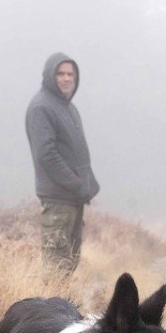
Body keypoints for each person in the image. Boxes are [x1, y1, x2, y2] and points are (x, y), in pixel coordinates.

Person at [25, 52, 100, 273]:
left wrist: (89, 185)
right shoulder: (42, 107)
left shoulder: (67, 107)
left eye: (70, 74)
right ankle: (54, 307)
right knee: (55, 266)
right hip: (58, 199)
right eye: (60, 73)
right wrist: (77, 184)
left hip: (72, 199)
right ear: (50, 75)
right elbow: (46, 154)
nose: (67, 78)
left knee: (69, 263)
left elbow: (75, 152)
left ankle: (65, 305)